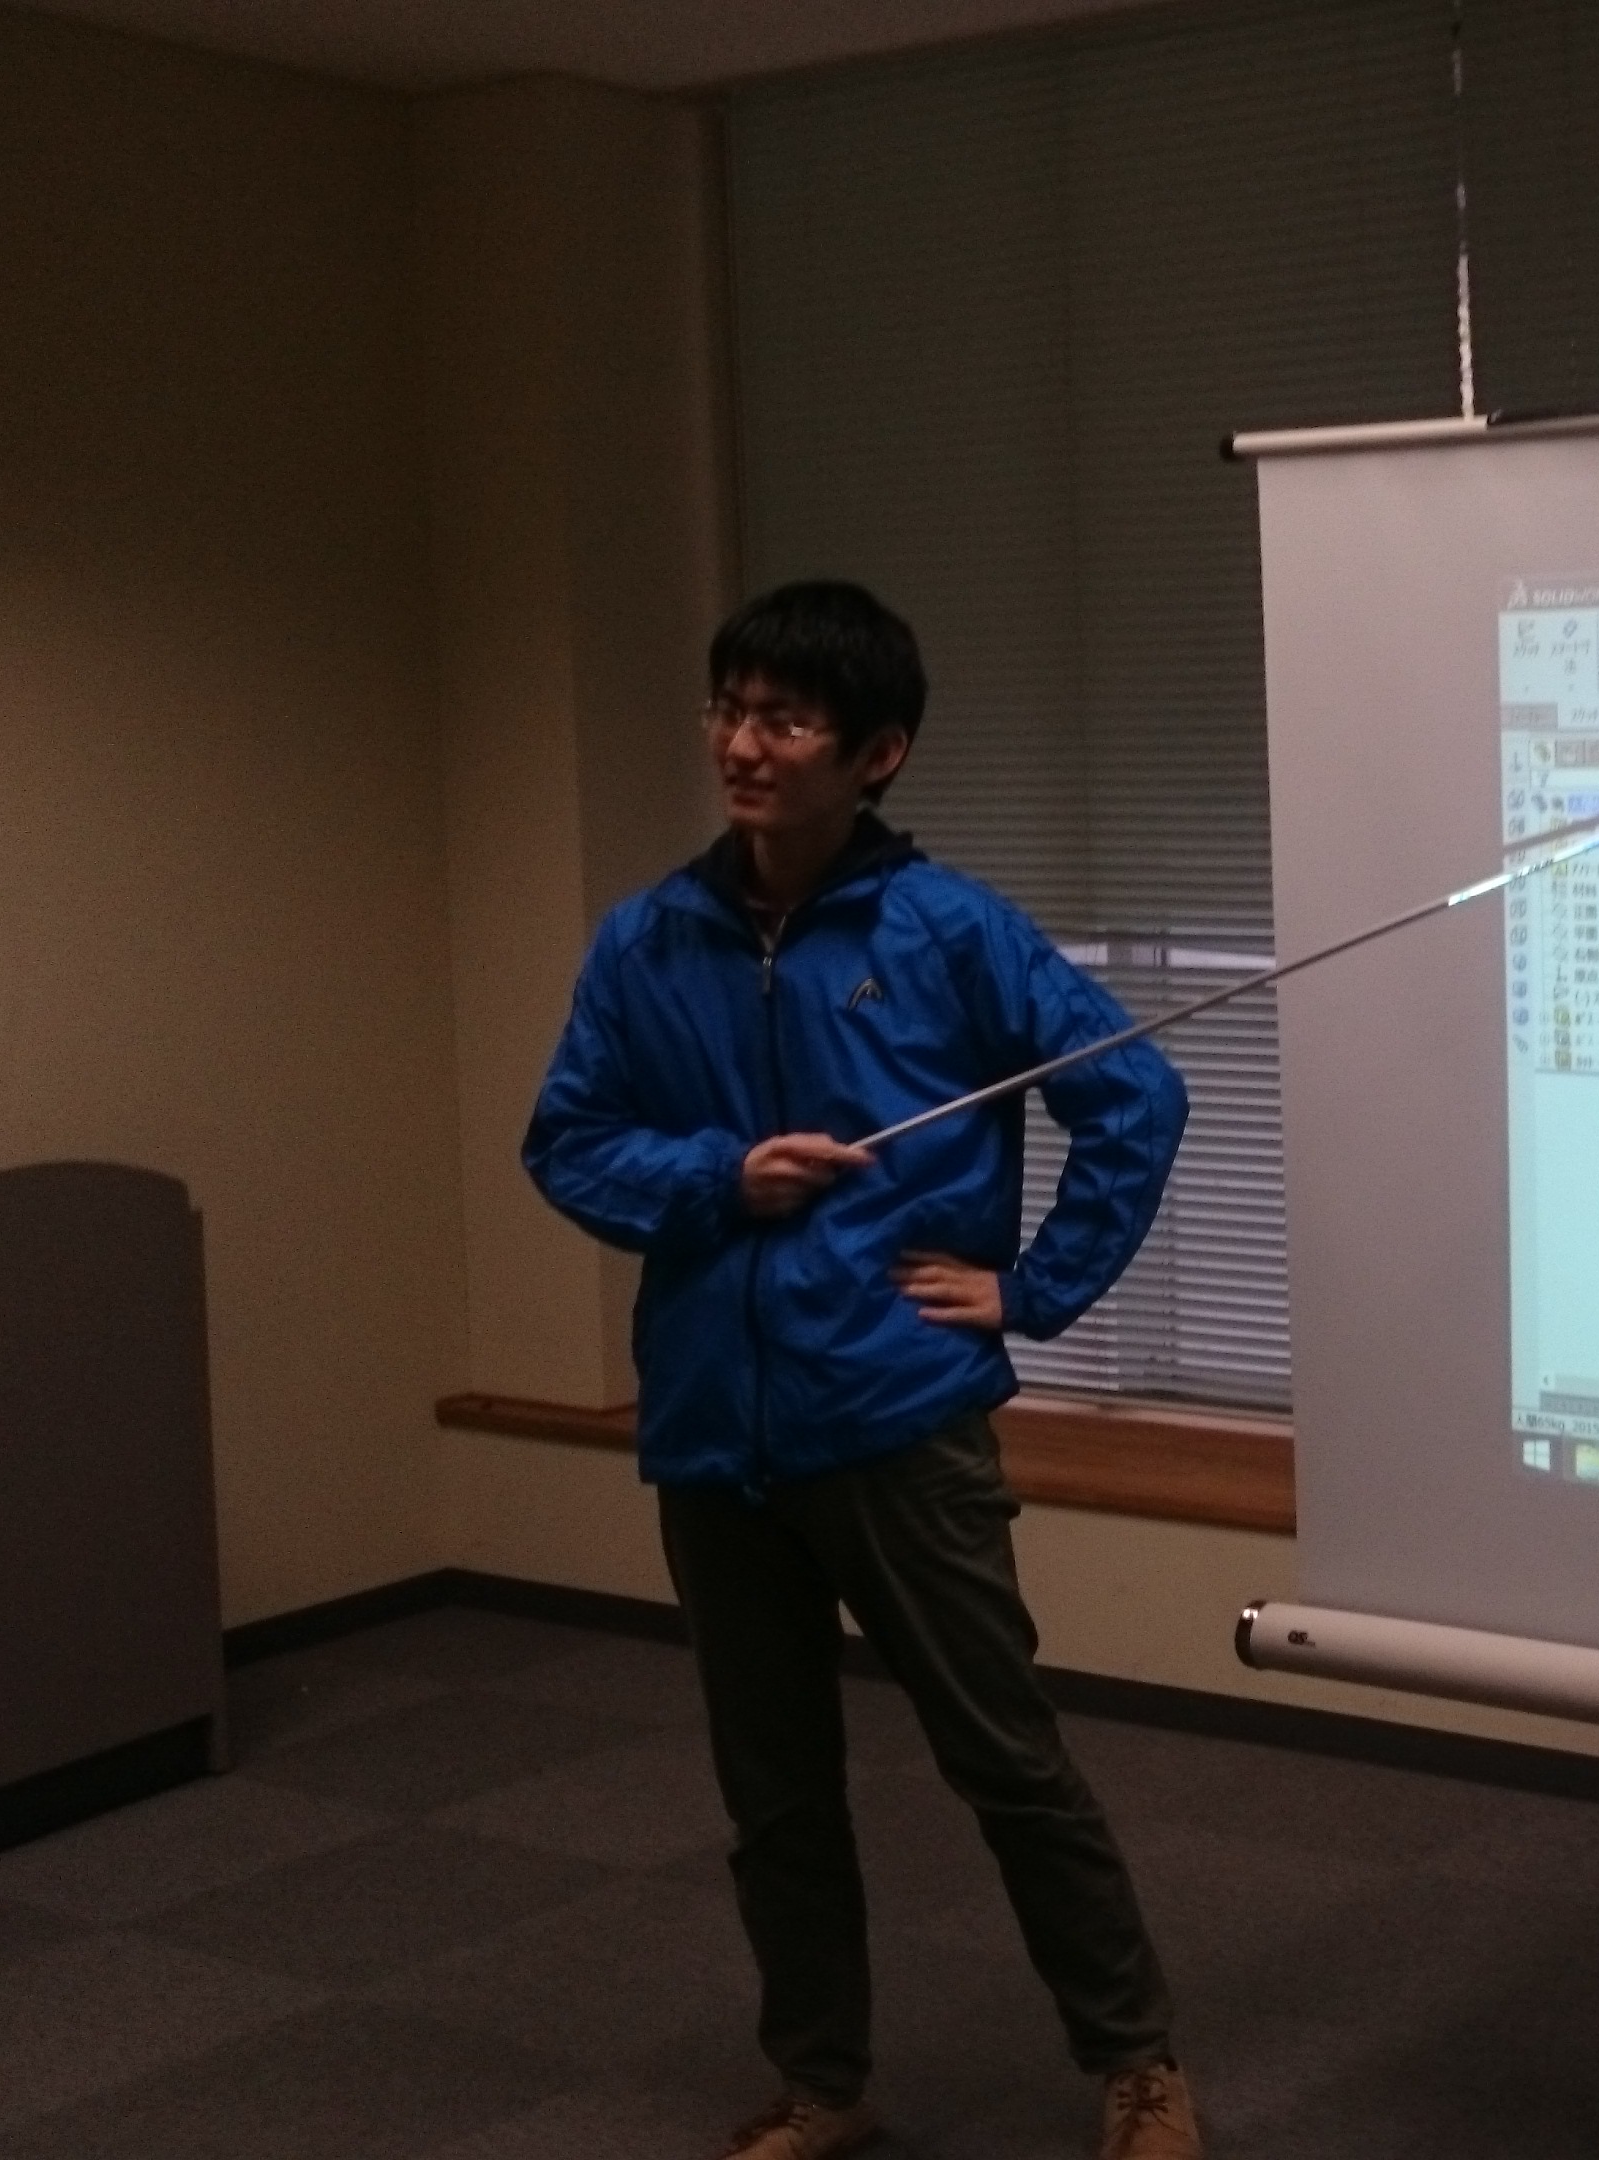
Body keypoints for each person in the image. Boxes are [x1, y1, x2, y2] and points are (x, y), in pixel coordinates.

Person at [524, 582, 1205, 2160]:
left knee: (1004, 1759)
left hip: (895, 1417)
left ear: (875, 753)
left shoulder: (949, 931)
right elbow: (568, 1141)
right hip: (716, 1433)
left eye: (785, 719)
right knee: (775, 1795)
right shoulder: (647, 938)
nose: (741, 745)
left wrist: (1033, 1292)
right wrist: (721, 1179)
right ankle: (823, 2083)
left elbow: (1138, 1098)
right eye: (729, 710)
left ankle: (1138, 2067)